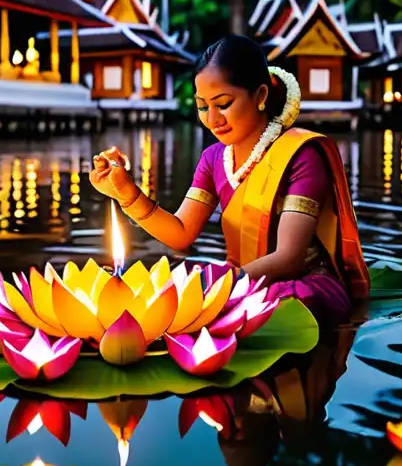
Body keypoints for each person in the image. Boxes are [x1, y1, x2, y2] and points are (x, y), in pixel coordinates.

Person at [90, 34, 369, 321]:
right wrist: (126, 193)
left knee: (270, 304)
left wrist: (222, 284)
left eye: (223, 104)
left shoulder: (301, 155)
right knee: (176, 279)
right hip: (241, 280)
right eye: (202, 106)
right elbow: (180, 234)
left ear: (260, 96)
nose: (212, 120)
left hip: (301, 284)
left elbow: (289, 258)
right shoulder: (213, 159)